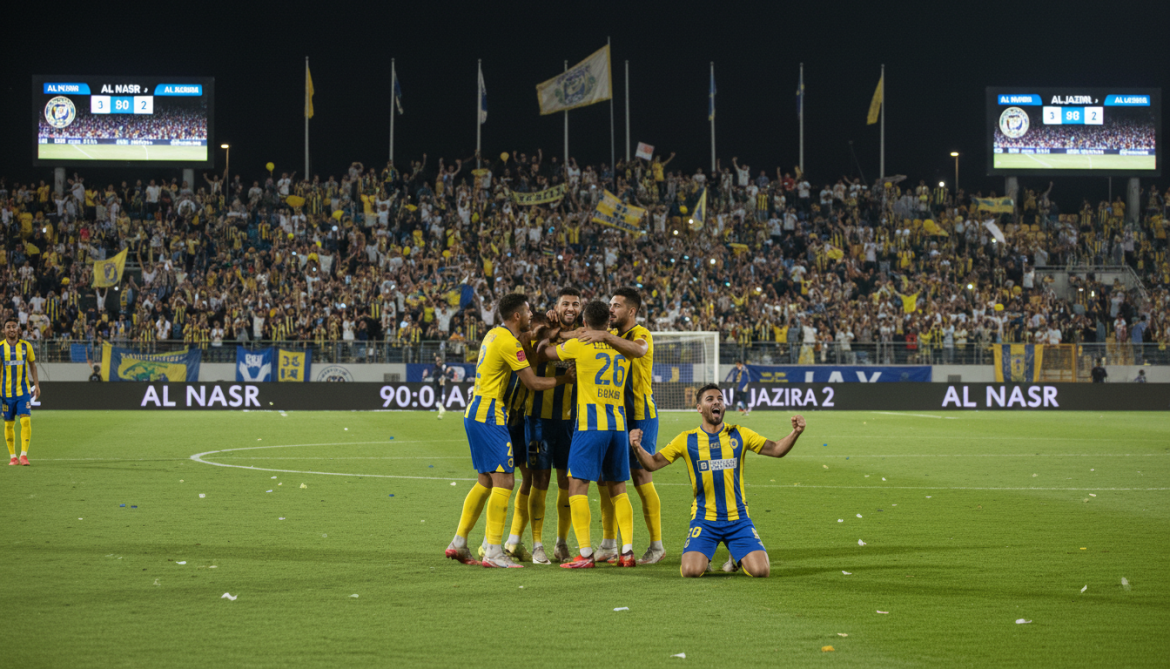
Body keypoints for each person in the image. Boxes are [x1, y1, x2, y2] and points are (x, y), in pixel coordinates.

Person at [444, 294, 570, 569]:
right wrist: (565, 378)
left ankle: (459, 542)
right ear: (517, 316)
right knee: (505, 482)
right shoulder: (509, 343)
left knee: (486, 482)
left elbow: (530, 338)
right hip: (491, 414)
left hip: (476, 411)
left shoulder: (494, 335)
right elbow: (534, 382)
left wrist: (548, 330)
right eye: (526, 311)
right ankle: (493, 551)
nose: (529, 314)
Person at [629, 384, 806, 578]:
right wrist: (637, 447)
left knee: (761, 571)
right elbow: (652, 464)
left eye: (720, 399)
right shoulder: (687, 439)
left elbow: (776, 449)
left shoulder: (740, 434)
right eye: (710, 399)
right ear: (699, 408)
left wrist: (795, 432)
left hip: (738, 518)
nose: (717, 402)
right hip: (705, 519)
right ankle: (709, 557)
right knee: (690, 571)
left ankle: (734, 557)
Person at [539, 300, 637, 568]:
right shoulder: (621, 344)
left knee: (577, 487)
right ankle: (626, 552)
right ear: (608, 321)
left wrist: (551, 333)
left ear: (584, 323)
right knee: (618, 488)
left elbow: (544, 353)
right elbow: (638, 350)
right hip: (618, 426)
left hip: (590, 425)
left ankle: (584, 554)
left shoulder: (579, 345)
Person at [577, 287, 665, 565]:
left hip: (640, 415)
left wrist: (604, 335)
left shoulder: (641, 334)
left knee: (640, 478)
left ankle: (656, 545)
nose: (611, 309)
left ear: (632, 311)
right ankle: (608, 544)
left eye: (616, 305)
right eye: (610, 305)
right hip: (615, 419)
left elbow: (640, 351)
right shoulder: (613, 336)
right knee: (607, 479)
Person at [518, 289, 582, 564]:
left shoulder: (584, 333)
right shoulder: (542, 329)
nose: (571, 307)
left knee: (567, 482)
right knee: (540, 480)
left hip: (569, 421)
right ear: (555, 306)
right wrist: (552, 330)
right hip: (538, 419)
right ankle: (536, 544)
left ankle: (561, 542)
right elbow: (537, 356)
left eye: (575, 304)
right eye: (565, 303)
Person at [2, 318, 40, 466]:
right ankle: (13, 457)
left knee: (25, 420)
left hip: (23, 391)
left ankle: (23, 455)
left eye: (14, 326)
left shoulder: (26, 346)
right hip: (5, 394)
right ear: (4, 330)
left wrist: (36, 384)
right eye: (8, 327)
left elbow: (33, 366)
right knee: (9, 425)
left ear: (18, 329)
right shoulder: (0, 348)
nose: (11, 329)